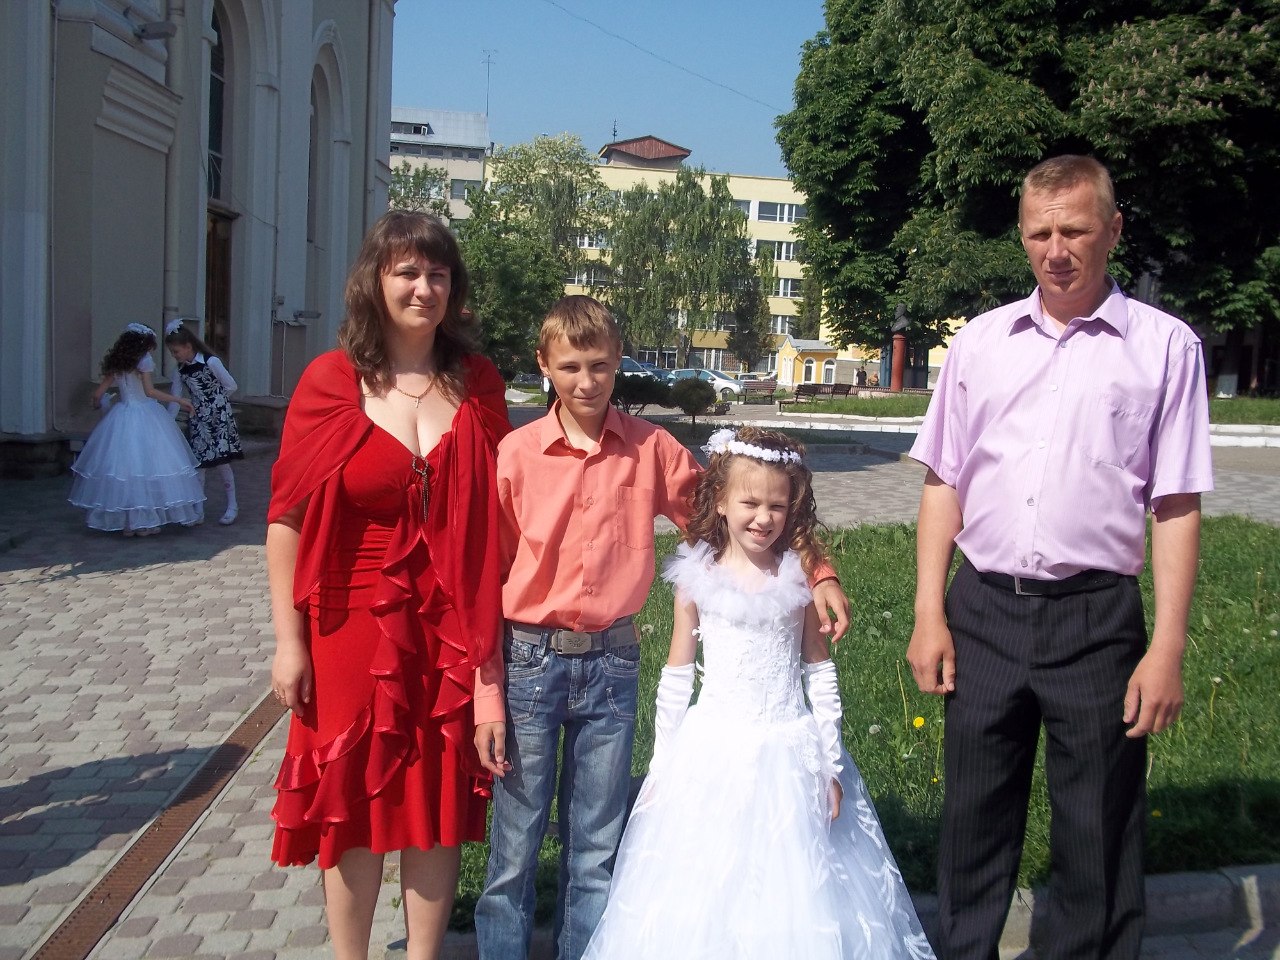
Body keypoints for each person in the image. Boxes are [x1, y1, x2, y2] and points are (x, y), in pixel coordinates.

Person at [473, 296, 851, 960]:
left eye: (599, 365)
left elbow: (733, 511)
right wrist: (486, 694)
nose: (586, 382)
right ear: (543, 365)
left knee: (597, 847)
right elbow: (484, 578)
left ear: (619, 362)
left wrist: (817, 573)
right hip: (529, 662)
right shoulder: (515, 455)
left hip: (612, 665)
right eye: (570, 367)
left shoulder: (650, 449)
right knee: (513, 849)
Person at [906, 155, 1213, 960]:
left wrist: (1168, 648)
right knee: (973, 821)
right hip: (983, 611)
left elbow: (1177, 504)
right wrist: (929, 614)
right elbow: (942, 482)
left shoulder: (1166, 348)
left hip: (1096, 620)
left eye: (1075, 230)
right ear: (1022, 235)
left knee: (1096, 829)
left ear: (1113, 230)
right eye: (1039, 233)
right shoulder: (980, 343)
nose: (1057, 250)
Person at [582, 426, 936, 960]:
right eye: (749, 503)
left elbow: (819, 673)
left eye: (777, 506)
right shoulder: (696, 579)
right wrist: (663, 765)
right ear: (721, 502)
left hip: (789, 752)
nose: (763, 518)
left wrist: (829, 763)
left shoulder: (797, 580)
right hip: (712, 753)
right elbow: (677, 674)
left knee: (792, 888)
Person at [266, 211, 510, 960]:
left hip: (449, 624)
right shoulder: (331, 381)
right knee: (352, 800)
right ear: (375, 281)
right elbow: (286, 520)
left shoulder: (477, 383)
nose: (423, 288)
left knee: (435, 800)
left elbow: (508, 508)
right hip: (349, 627)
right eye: (407, 272)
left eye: (438, 274)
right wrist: (288, 642)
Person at [68, 323, 203, 535]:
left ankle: (129, 523)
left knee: (125, 470)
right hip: (144, 415)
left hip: (121, 416)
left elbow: (98, 394)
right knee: (147, 468)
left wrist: (98, 403)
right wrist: (178, 399)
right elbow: (150, 392)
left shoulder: (118, 362)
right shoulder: (144, 360)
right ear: (145, 344)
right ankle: (142, 523)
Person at [164, 318, 244, 525]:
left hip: (218, 419)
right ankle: (198, 509)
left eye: (176, 351)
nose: (174, 356)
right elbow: (175, 398)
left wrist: (216, 401)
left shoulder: (211, 362)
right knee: (200, 465)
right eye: (172, 352)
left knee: (222, 462)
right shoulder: (180, 371)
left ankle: (232, 505)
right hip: (199, 421)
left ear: (188, 346)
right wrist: (168, 423)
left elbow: (231, 385)